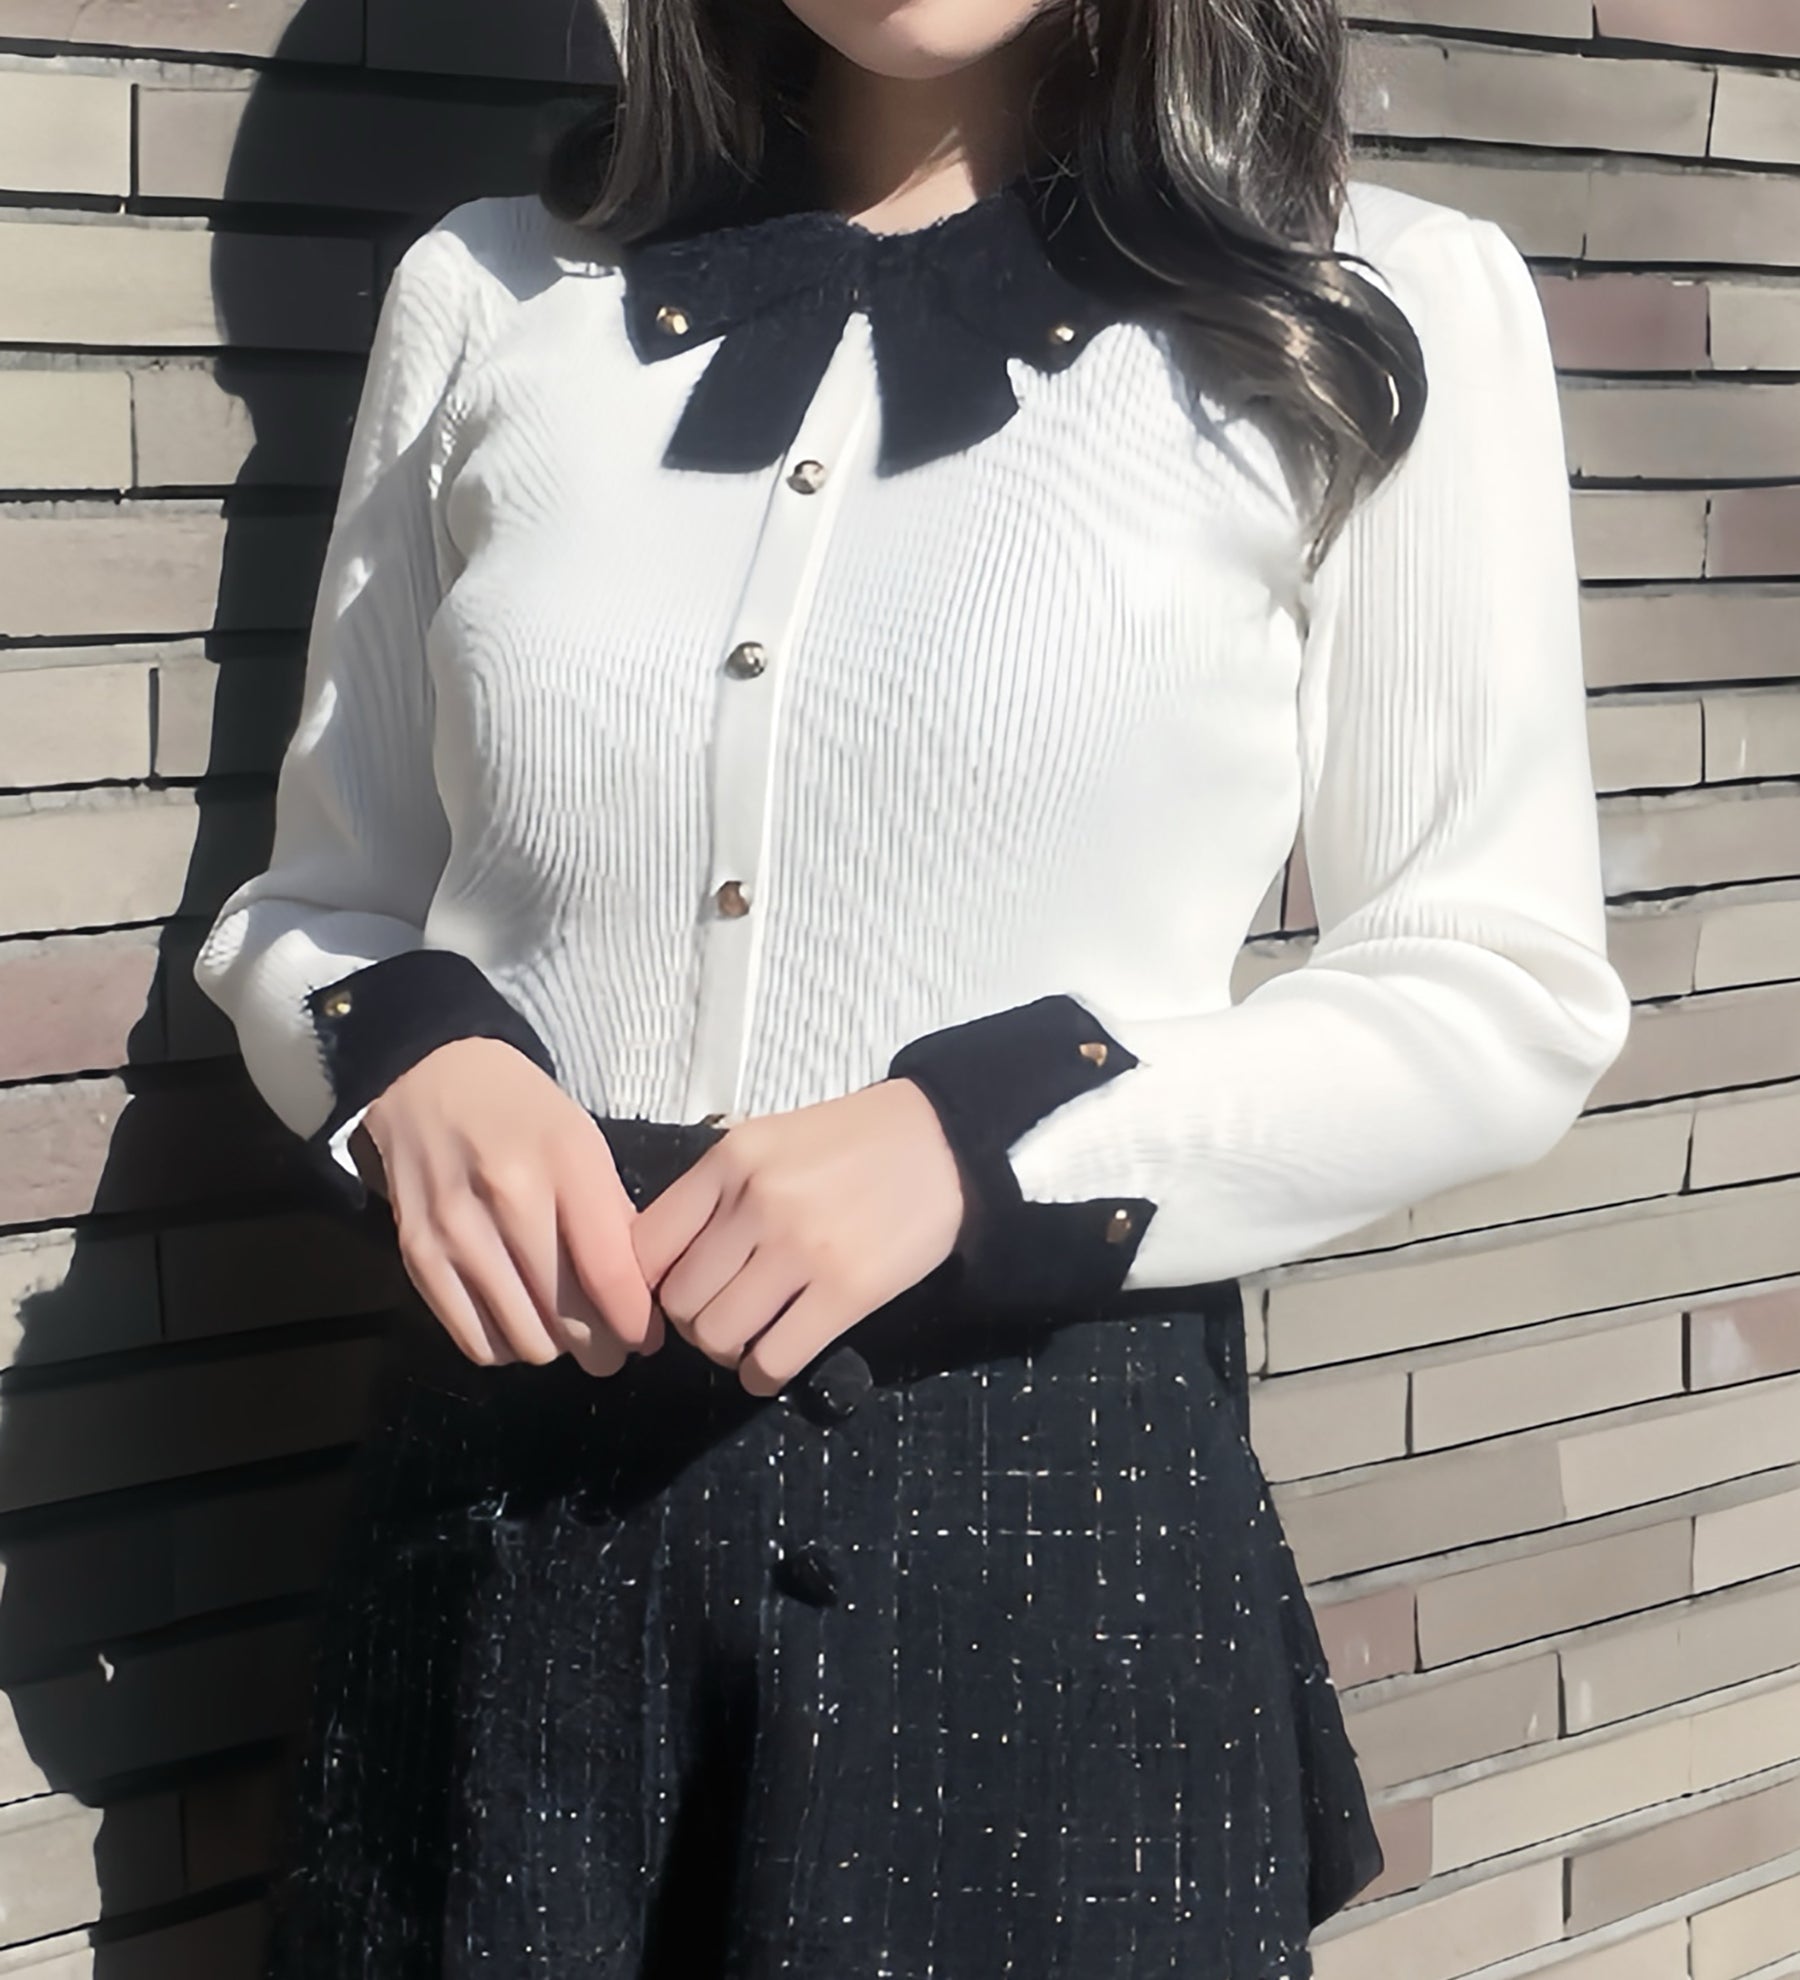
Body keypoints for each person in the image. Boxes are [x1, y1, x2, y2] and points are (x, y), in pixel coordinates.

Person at [192, 0, 1633, 1974]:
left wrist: (981, 1151)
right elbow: (323, 907)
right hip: (512, 1532)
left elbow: (1494, 982)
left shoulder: (1375, 298)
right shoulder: (495, 292)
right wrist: (412, 1063)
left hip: (1032, 1535)